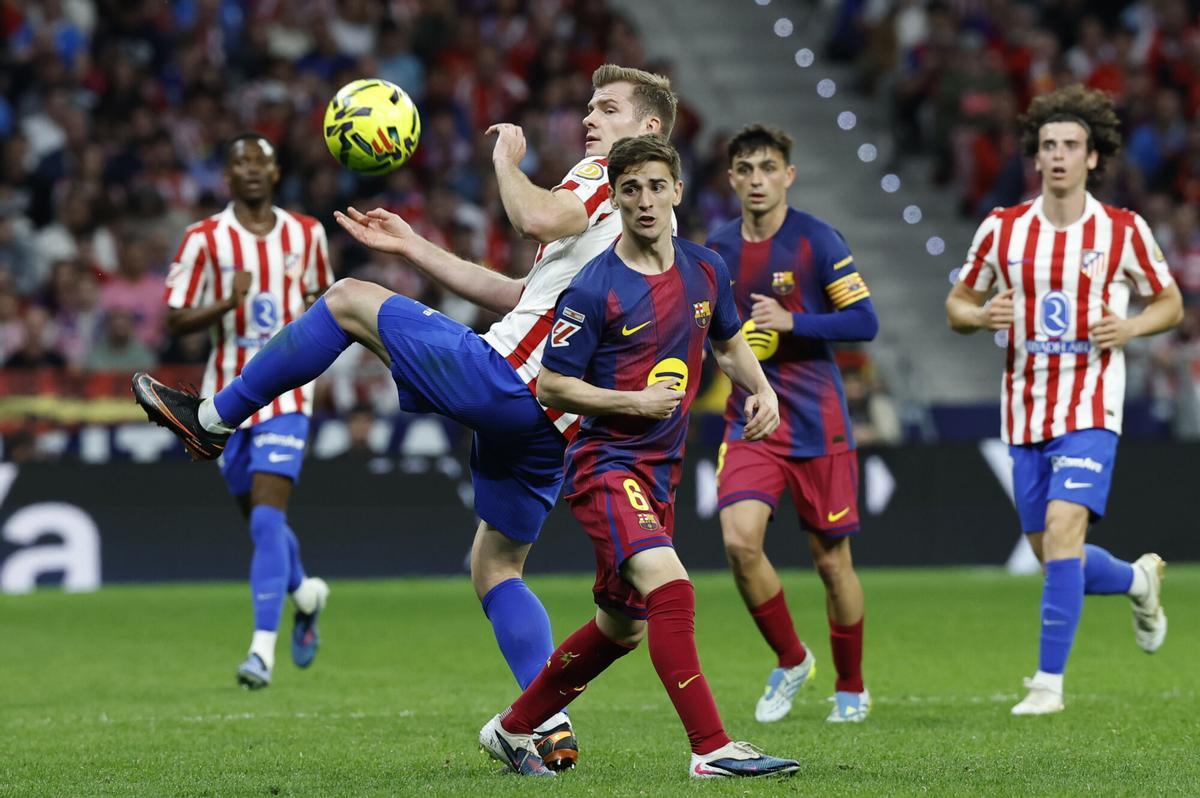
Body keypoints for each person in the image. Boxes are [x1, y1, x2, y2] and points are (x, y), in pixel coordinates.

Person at [133, 65, 678, 768]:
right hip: (553, 421)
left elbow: (534, 216)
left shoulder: (612, 174)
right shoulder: (635, 223)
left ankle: (210, 419)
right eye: (590, 108)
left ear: (650, 128)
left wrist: (506, 160)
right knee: (495, 563)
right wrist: (413, 247)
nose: (589, 121)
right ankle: (549, 723)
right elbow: (520, 292)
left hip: (509, 381)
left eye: (606, 108)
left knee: (348, 300)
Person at [478, 135, 798, 779]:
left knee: (619, 626)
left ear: (677, 191)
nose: (645, 200)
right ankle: (711, 748)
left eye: (656, 186)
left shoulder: (706, 267)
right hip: (606, 465)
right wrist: (634, 401)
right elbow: (552, 386)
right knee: (671, 589)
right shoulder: (593, 289)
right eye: (630, 189)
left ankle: (512, 730)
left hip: (662, 471)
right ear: (615, 199)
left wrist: (761, 391)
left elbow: (729, 343)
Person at [945, 85, 1181, 715]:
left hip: (1091, 406)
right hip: (1024, 409)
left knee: (1062, 529)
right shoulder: (1003, 229)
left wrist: (1129, 328)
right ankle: (1137, 579)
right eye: (1048, 145)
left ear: (1093, 158)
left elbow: (1170, 303)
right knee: (1053, 553)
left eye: (1071, 146)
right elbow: (957, 304)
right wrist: (978, 315)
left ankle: (1048, 683)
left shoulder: (1122, 230)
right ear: (1035, 155)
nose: (1058, 156)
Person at [704, 124, 879, 724]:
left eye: (768, 168)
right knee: (737, 542)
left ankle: (851, 686)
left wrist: (792, 322)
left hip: (817, 421)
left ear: (788, 176)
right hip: (751, 417)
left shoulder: (817, 241)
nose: (757, 180)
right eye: (746, 169)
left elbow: (865, 321)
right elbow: (698, 326)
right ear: (732, 179)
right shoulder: (717, 252)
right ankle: (791, 657)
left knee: (832, 563)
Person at [145, 133, 332, 689]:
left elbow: (326, 302)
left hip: (291, 397)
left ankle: (260, 653)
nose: (251, 170)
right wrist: (230, 300)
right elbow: (174, 319)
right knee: (259, 522)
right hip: (223, 400)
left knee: (270, 517)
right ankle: (306, 594)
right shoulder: (204, 238)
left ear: (276, 173)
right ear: (227, 177)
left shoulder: (308, 233)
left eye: (261, 162)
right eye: (240, 163)